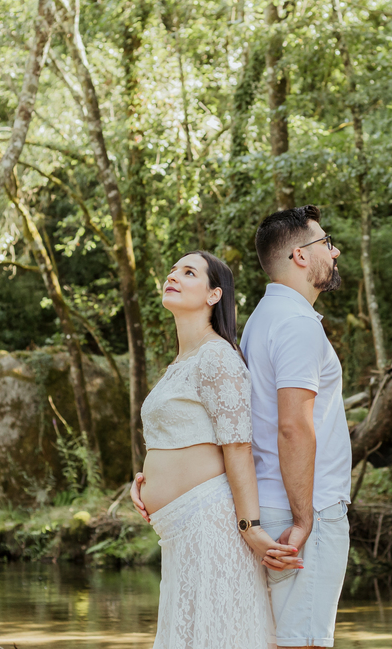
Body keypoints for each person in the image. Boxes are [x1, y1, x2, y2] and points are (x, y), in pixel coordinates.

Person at [130, 250, 300, 649]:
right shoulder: (181, 362)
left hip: (211, 526)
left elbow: (238, 446)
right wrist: (143, 481)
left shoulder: (218, 356)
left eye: (189, 273)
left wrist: (250, 527)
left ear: (213, 295)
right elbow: (175, 438)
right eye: (172, 270)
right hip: (177, 530)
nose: (173, 276)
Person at [242, 205, 353, 649]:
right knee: (304, 643)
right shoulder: (297, 325)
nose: (336, 250)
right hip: (304, 511)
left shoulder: (260, 321)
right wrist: (306, 518)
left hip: (269, 505)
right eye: (327, 242)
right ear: (301, 256)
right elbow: (293, 426)